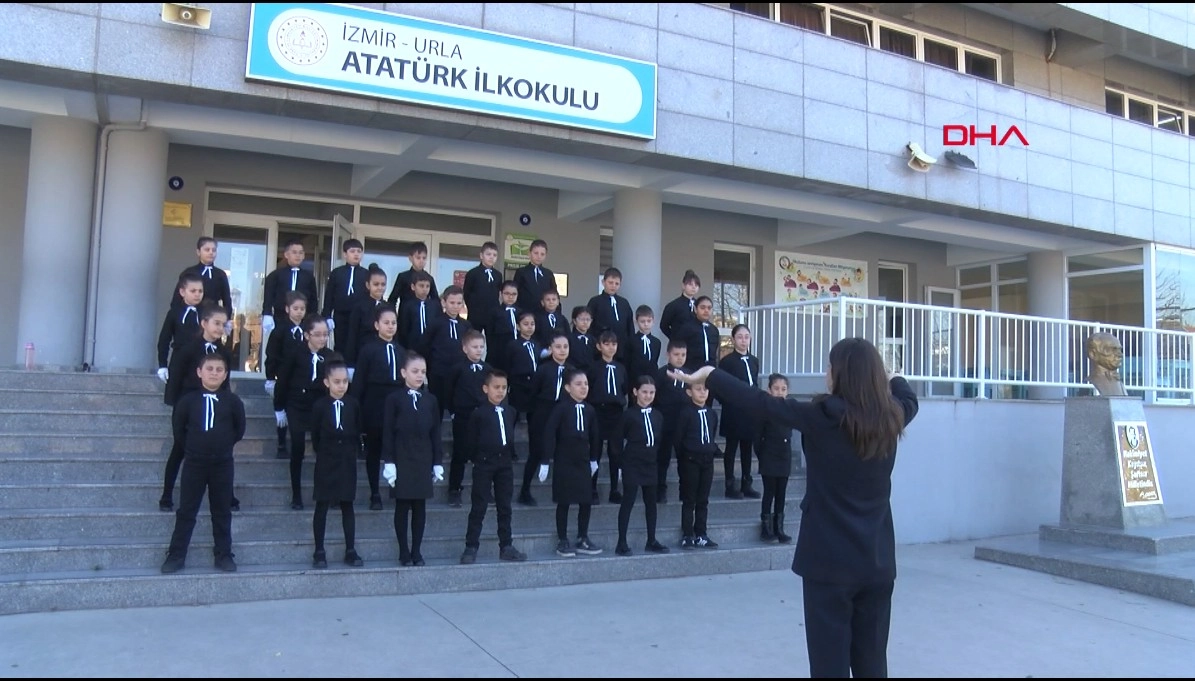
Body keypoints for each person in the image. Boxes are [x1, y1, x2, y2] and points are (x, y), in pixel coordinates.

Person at [675, 337, 919, 678]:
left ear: (839, 374)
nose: (825, 372)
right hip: (876, 563)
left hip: (828, 563)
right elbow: (909, 398)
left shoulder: (820, 416)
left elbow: (759, 402)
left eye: (829, 366)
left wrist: (711, 374)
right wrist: (893, 378)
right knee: (873, 663)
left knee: (828, 666)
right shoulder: (892, 416)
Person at [160, 353, 245, 574]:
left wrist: (222, 445)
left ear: (225, 374)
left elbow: (239, 430)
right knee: (187, 510)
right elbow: (179, 431)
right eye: (210, 369)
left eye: (219, 370)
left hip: (222, 464)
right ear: (199, 372)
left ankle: (224, 554)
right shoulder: (188, 401)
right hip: (195, 463)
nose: (214, 373)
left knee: (222, 510)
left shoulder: (233, 402)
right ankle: (176, 555)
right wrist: (194, 448)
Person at [160, 303, 236, 513]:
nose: (220, 328)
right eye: (216, 323)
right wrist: (177, 408)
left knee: (223, 451)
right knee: (179, 449)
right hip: (190, 406)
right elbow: (175, 380)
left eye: (223, 324)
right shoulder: (188, 348)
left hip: (216, 406)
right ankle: (167, 494)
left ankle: (228, 495)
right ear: (204, 323)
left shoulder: (223, 351)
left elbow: (225, 382)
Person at [381, 353, 444, 567]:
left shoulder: (431, 400)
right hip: (402, 456)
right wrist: (389, 461)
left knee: (420, 507)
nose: (419, 376)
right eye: (415, 371)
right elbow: (388, 431)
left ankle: (417, 550)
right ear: (403, 373)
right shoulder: (394, 399)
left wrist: (437, 462)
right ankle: (403, 551)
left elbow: (435, 432)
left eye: (423, 372)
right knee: (403, 505)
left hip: (423, 456)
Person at [460, 370, 528, 564]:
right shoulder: (479, 413)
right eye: (496, 387)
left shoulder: (510, 411)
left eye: (504, 388)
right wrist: (478, 457)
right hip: (484, 462)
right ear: (485, 389)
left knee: (504, 506)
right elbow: (471, 440)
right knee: (479, 504)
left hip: (504, 463)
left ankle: (506, 545)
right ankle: (471, 545)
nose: (500, 391)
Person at [274, 314, 336, 510]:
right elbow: (283, 381)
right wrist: (279, 408)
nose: (321, 339)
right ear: (307, 335)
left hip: (319, 405)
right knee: (298, 445)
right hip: (297, 404)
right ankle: (296, 494)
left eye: (325, 335)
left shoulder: (330, 356)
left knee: (325, 447)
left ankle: (326, 492)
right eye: (317, 334)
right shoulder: (295, 353)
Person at [348, 305, 406, 511]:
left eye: (393, 323)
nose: (390, 327)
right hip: (375, 403)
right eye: (386, 323)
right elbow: (360, 382)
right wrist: (356, 411)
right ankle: (374, 492)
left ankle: (396, 487)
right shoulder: (369, 349)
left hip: (397, 403)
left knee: (398, 448)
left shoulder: (401, 350)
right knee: (374, 450)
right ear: (376, 325)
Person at [309, 360, 365, 569]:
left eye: (344, 382)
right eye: (336, 382)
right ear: (326, 382)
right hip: (326, 458)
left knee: (347, 504)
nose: (341, 386)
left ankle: (350, 549)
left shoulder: (353, 404)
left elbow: (357, 427)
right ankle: (319, 550)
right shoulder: (320, 406)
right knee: (322, 505)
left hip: (346, 459)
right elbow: (315, 434)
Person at [542, 368, 602, 558]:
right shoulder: (561, 408)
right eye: (578, 384)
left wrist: (594, 458)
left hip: (583, 460)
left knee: (586, 500)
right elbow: (550, 433)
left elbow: (595, 436)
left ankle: (582, 537)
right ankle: (562, 540)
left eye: (585, 384)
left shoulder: (590, 410)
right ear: (568, 387)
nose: (583, 387)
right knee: (564, 500)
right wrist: (545, 460)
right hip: (564, 460)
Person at [616, 376, 670, 556]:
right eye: (644, 392)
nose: (648, 396)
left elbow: (660, 440)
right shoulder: (628, 415)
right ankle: (621, 542)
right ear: (635, 392)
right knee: (628, 501)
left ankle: (651, 539)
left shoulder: (658, 415)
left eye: (652, 392)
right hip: (632, 461)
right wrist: (619, 466)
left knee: (651, 503)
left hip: (650, 462)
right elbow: (618, 442)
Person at [518, 331, 571, 507]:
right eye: (558, 347)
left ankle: (562, 491)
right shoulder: (543, 370)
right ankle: (525, 490)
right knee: (536, 452)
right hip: (543, 413)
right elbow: (533, 393)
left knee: (563, 453)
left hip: (563, 414)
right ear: (550, 349)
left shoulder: (572, 371)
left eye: (565, 347)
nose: (562, 350)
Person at [673, 377, 720, 550]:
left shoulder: (711, 413)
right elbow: (678, 438)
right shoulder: (685, 413)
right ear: (689, 392)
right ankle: (687, 534)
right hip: (690, 461)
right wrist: (685, 456)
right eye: (698, 389)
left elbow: (712, 433)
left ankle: (701, 533)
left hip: (707, 461)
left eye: (705, 389)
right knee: (689, 499)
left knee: (703, 500)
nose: (703, 392)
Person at [716, 323, 762, 500]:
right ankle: (730, 484)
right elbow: (721, 387)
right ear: (733, 339)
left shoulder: (754, 360)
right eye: (740, 337)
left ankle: (746, 483)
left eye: (747, 337)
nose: (744, 340)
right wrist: (729, 402)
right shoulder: (727, 362)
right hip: (734, 410)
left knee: (747, 448)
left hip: (750, 410)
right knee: (731, 447)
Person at [445, 330, 490, 507]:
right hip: (463, 416)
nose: (478, 350)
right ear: (465, 348)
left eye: (481, 347)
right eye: (474, 347)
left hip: (482, 416)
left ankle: (484, 489)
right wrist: (453, 411)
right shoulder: (457, 368)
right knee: (460, 453)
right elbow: (449, 390)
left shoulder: (487, 369)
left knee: (483, 454)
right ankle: (454, 489)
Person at [264, 291, 309, 459]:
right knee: (281, 411)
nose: (299, 312)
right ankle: (281, 443)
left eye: (302, 309)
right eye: (295, 308)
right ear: (287, 309)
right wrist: (270, 377)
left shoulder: (308, 329)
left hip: (303, 378)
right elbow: (272, 355)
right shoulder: (280, 330)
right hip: (284, 378)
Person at [419, 285, 472, 422]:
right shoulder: (435, 323)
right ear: (444, 302)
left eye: (459, 303)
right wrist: (430, 368)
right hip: (439, 372)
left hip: (459, 372)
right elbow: (426, 346)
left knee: (458, 407)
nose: (455, 306)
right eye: (452, 302)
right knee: (437, 408)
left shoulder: (466, 325)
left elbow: (469, 347)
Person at [586, 331, 627, 504]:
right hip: (598, 411)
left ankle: (614, 489)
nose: (611, 347)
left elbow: (624, 388)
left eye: (614, 344)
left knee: (615, 452)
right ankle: (592, 488)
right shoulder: (593, 367)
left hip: (615, 412)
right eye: (607, 344)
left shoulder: (621, 368)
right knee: (594, 450)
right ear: (599, 346)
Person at [756, 373, 794, 544]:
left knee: (781, 493)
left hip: (784, 456)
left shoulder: (789, 410)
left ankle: (779, 527)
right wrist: (763, 456)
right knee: (769, 492)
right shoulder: (764, 411)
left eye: (783, 389)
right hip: (769, 456)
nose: (780, 392)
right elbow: (757, 438)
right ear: (769, 390)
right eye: (776, 389)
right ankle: (766, 527)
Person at [170, 236, 234, 331]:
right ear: (198, 252)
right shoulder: (189, 273)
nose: (211, 253)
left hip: (212, 319)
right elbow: (177, 299)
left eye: (214, 250)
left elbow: (227, 300)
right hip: (191, 318)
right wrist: (177, 319)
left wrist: (225, 320)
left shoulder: (220, 275)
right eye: (207, 250)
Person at [654, 340, 689, 504]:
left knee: (684, 458)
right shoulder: (661, 374)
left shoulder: (689, 375)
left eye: (683, 355)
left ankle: (685, 488)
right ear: (668, 355)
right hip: (665, 423)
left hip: (684, 424)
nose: (680, 358)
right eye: (676, 354)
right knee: (663, 458)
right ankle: (660, 488)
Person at [262, 238, 319, 338]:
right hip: (280, 318)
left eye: (301, 253)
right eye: (294, 252)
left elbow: (313, 299)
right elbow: (268, 296)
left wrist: (312, 318)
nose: (298, 255)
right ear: (286, 255)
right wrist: (267, 314)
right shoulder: (276, 275)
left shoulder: (308, 276)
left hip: (303, 320)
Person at [321, 238, 369, 353]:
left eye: (359, 251)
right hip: (341, 315)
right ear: (345, 254)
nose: (356, 254)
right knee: (341, 343)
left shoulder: (366, 274)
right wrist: (327, 315)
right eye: (352, 251)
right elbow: (329, 295)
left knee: (358, 343)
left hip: (359, 315)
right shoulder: (337, 273)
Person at [157, 273, 205, 387]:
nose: (197, 294)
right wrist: (163, 364)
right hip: (179, 361)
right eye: (193, 291)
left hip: (202, 361)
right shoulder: (174, 313)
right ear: (182, 292)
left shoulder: (206, 313)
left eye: (200, 291)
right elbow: (164, 339)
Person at [345, 264, 389, 369]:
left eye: (383, 284)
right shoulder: (359, 307)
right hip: (362, 354)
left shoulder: (388, 307)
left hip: (383, 355)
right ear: (368, 285)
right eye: (376, 284)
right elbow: (352, 335)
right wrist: (350, 363)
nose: (380, 288)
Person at [587, 267, 634, 363]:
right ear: (603, 282)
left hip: (621, 349)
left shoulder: (624, 303)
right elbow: (590, 324)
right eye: (610, 282)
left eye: (617, 283)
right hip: (601, 348)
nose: (613, 286)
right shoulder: (595, 301)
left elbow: (629, 325)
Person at [504, 311, 539, 427]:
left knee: (534, 418)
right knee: (513, 415)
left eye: (532, 324)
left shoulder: (536, 344)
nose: (529, 327)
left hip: (533, 383)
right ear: (518, 327)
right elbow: (508, 364)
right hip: (518, 383)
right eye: (526, 324)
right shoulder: (513, 345)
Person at [463, 241, 502, 337]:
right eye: (488, 254)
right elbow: (466, 293)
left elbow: (498, 293)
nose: (491, 257)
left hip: (492, 315)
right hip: (476, 315)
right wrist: (473, 308)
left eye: (494, 255)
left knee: (493, 343)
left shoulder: (498, 275)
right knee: (473, 339)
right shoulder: (473, 273)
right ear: (481, 255)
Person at [386, 241, 438, 313]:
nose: (421, 261)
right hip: (405, 318)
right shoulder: (403, 277)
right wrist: (393, 317)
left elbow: (436, 301)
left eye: (424, 258)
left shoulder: (429, 278)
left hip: (422, 316)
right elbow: (392, 299)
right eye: (418, 258)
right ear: (410, 258)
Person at [398, 270, 441, 351]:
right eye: (421, 286)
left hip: (431, 346)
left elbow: (438, 325)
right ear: (413, 287)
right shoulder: (407, 305)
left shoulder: (435, 305)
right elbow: (403, 328)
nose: (425, 289)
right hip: (412, 346)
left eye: (427, 286)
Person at [487, 280, 521, 372]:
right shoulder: (494, 312)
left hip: (517, 353)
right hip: (499, 353)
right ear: (501, 294)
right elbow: (489, 335)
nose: (510, 297)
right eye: (507, 293)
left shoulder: (521, 312)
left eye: (514, 294)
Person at [513, 239, 554, 312]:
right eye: (536, 253)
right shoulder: (521, 272)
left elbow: (554, 294)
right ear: (529, 253)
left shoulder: (548, 274)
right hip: (526, 313)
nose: (539, 256)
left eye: (542, 254)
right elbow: (516, 293)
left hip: (544, 313)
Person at [660, 269, 701, 341]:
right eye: (690, 284)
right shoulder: (673, 305)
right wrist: (675, 339)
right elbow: (663, 326)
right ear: (683, 285)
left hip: (696, 345)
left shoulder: (700, 305)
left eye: (696, 285)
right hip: (678, 346)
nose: (694, 287)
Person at [681, 296, 720, 372]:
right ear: (695, 309)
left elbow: (715, 352)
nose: (706, 310)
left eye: (709, 308)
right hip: (691, 369)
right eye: (702, 308)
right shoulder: (687, 328)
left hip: (711, 370)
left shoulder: (714, 330)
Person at [628, 304, 662, 388]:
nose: (646, 324)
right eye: (642, 321)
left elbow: (654, 362)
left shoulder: (656, 342)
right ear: (636, 321)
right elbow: (628, 362)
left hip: (652, 380)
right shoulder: (631, 341)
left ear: (653, 321)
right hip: (635, 380)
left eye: (649, 321)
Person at [1085, 332, 1127, 396]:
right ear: (1092, 354)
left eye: (1119, 350)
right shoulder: (1090, 384)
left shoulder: (1119, 383)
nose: (1120, 355)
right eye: (1110, 350)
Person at [568, 306, 597, 371]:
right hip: (573, 372)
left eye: (588, 319)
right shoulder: (569, 339)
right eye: (582, 319)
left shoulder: (593, 340)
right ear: (574, 321)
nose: (585, 322)